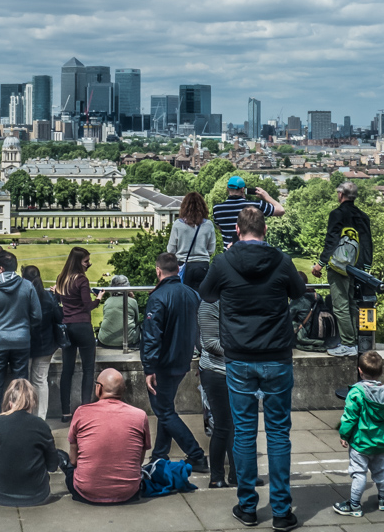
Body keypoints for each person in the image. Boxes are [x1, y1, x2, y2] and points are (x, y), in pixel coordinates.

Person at [201, 207, 305, 531]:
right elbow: (300, 294)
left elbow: (206, 294)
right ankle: (281, 511)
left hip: (239, 358)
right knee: (277, 433)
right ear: (264, 228)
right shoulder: (282, 260)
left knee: (244, 432)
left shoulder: (223, 262)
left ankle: (247, 508)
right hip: (276, 356)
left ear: (236, 228)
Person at [142, 251, 208, 472]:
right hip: (182, 361)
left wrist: (149, 368)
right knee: (165, 408)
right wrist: (203, 357)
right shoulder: (191, 294)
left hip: (163, 363)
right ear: (178, 270)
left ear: (158, 271)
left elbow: (152, 336)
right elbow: (201, 329)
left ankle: (196, 454)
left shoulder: (158, 297)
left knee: (164, 411)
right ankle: (160, 454)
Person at [59, 368, 151, 504]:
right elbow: (139, 461)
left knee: (64, 459)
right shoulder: (140, 416)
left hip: (85, 492)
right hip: (129, 492)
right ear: (123, 389)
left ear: (98, 388)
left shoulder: (82, 413)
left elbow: (74, 460)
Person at [333, 350, 384, 517]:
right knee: (380, 470)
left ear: (360, 371)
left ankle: (354, 505)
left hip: (361, 442)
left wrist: (344, 435)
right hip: (381, 441)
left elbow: (349, 418)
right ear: (381, 371)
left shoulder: (356, 392)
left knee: (359, 472)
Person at [312, 181, 373, 359]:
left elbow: (331, 241)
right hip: (358, 268)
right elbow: (368, 243)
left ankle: (348, 344)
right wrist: (366, 267)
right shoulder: (363, 216)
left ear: (340, 195)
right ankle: (357, 341)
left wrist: (320, 264)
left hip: (339, 267)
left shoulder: (336, 214)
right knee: (354, 304)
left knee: (340, 306)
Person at [0, 379, 59, 507]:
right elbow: (52, 465)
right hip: (36, 494)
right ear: (33, 402)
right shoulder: (41, 426)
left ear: (9, 402)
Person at [0, 250, 41, 423]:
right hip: (21, 340)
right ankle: (21, 419)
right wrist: (24, 328)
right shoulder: (27, 286)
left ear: (0, 268)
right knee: (21, 382)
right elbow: (37, 316)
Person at [55, 246, 99, 422]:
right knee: (88, 369)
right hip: (82, 326)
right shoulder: (81, 280)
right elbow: (87, 306)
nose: (89, 264)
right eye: (86, 261)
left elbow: (60, 300)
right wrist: (99, 299)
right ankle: (86, 408)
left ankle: (65, 412)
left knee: (67, 370)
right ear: (78, 262)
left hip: (67, 327)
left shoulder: (62, 279)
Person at [199, 299, 234, 488]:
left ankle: (238, 475)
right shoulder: (209, 303)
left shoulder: (239, 295)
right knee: (223, 426)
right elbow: (211, 343)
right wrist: (244, 350)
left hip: (238, 371)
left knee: (238, 425)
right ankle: (216, 477)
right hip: (216, 371)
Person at [22, 265, 62, 420]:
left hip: (26, 344)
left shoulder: (23, 296)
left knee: (25, 381)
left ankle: (26, 416)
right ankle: (40, 418)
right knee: (40, 380)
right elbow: (59, 318)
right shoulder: (48, 297)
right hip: (45, 345)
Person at [211, 176, 284, 249]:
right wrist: (266, 196)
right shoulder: (256, 205)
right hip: (252, 250)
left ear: (227, 189)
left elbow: (220, 229)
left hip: (229, 252)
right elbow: (281, 210)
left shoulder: (217, 209)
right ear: (243, 190)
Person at [168, 192, 217, 291]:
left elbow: (171, 249)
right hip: (202, 265)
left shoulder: (178, 224)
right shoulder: (208, 224)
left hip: (183, 265)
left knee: (184, 296)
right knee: (201, 297)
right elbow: (211, 249)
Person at [97, 274, 141, 348]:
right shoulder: (132, 302)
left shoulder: (108, 301)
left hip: (104, 340)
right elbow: (137, 321)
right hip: (128, 341)